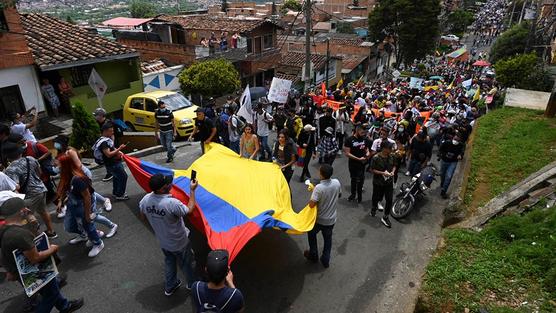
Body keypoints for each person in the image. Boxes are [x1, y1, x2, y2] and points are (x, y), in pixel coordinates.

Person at [0, 197, 84, 313]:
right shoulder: (19, 235)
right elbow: (35, 258)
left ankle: (65, 307)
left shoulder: (6, 227)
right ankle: (64, 307)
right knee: (51, 295)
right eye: (25, 208)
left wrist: (32, 222)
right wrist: (53, 249)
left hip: (19, 269)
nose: (27, 209)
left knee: (49, 289)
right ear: (21, 211)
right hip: (34, 269)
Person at [139, 173, 198, 295]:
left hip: (164, 242)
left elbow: (143, 216)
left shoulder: (145, 200)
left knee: (170, 261)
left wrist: (157, 221)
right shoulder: (171, 203)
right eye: (168, 183)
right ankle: (192, 284)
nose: (171, 184)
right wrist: (192, 190)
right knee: (187, 263)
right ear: (162, 188)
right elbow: (189, 210)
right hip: (180, 242)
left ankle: (170, 285)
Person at [57, 154, 117, 244]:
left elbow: (87, 197)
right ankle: (90, 235)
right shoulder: (66, 176)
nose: (57, 168)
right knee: (78, 223)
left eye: (58, 165)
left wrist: (87, 213)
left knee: (90, 219)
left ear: (65, 166)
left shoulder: (78, 178)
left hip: (85, 203)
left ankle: (110, 227)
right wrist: (61, 201)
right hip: (76, 204)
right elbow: (65, 190)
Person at [2, 141, 57, 238]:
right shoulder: (30, 159)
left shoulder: (11, 169)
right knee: (43, 210)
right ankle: (51, 231)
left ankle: (36, 238)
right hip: (41, 188)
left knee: (27, 218)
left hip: (29, 195)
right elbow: (39, 172)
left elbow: (16, 187)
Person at [303, 164, 341, 268]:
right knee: (328, 240)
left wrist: (314, 192)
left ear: (322, 174)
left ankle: (313, 254)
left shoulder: (319, 188)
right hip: (331, 219)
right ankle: (325, 259)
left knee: (311, 233)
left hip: (319, 219)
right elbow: (339, 194)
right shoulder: (336, 183)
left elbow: (311, 204)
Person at [97, 123, 129, 200]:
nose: (112, 132)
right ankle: (120, 194)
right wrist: (119, 149)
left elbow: (111, 148)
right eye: (111, 131)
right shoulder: (104, 142)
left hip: (114, 163)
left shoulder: (107, 140)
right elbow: (108, 154)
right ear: (105, 131)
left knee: (116, 177)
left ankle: (116, 192)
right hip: (113, 164)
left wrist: (118, 151)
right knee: (123, 176)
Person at [370, 140, 396, 228]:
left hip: (388, 182)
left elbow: (394, 166)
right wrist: (382, 173)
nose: (391, 149)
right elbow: (372, 170)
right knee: (376, 196)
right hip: (378, 182)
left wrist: (392, 172)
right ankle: (374, 207)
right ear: (384, 149)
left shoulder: (392, 156)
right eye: (389, 148)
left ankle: (385, 217)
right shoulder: (376, 158)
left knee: (389, 199)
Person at [344, 125, 370, 203]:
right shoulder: (349, 140)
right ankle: (353, 194)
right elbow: (347, 153)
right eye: (362, 132)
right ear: (357, 131)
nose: (363, 134)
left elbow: (366, 148)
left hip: (362, 163)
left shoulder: (364, 139)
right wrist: (358, 159)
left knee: (361, 180)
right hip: (353, 163)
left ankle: (359, 196)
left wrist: (367, 152)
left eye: (364, 133)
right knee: (354, 179)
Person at [438, 134, 464, 199]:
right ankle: (442, 182)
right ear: (453, 138)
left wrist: (460, 155)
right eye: (455, 139)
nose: (455, 141)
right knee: (442, 174)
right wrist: (442, 155)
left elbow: (462, 151)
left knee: (449, 176)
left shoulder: (460, 145)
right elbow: (440, 149)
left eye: (457, 140)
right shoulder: (447, 143)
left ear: (459, 141)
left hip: (453, 162)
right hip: (444, 161)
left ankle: (444, 190)